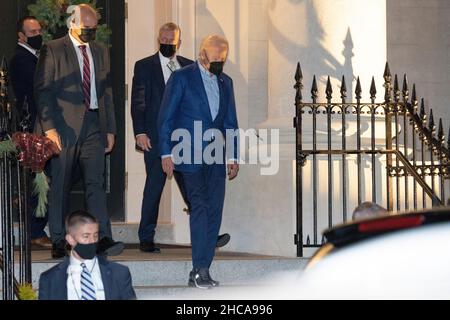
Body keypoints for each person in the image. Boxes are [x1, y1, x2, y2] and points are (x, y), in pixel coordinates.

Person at [131, 23, 230, 253]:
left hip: (187, 141)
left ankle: (206, 235)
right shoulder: (144, 66)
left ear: (179, 42)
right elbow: (138, 101)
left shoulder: (189, 66)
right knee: (154, 187)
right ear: (158, 38)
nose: (167, 43)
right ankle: (146, 237)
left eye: (172, 40)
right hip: (157, 138)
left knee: (193, 189)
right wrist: (140, 132)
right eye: (163, 38)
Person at [34, 4, 123, 258]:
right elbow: (43, 91)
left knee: (95, 182)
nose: (91, 33)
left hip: (94, 125)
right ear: (72, 24)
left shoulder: (100, 50)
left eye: (94, 29)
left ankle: (103, 237)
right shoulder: (52, 49)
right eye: (87, 28)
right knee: (60, 183)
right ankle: (59, 240)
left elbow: (106, 90)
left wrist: (111, 129)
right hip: (63, 127)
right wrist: (49, 129)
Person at [158, 35, 239, 289]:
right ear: (203, 54)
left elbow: (230, 122)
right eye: (215, 59)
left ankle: (204, 268)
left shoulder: (226, 82)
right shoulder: (182, 77)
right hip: (187, 153)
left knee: (215, 209)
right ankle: (198, 269)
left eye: (223, 60)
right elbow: (166, 117)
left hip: (215, 156)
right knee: (201, 206)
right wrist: (165, 152)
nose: (219, 64)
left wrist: (233, 155)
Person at [9, 16, 52, 249]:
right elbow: (40, 85)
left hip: (42, 125)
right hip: (31, 126)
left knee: (44, 177)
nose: (37, 35)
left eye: (38, 30)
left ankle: (40, 226)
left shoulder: (37, 56)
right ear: (21, 36)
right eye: (32, 32)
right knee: (38, 178)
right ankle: (35, 230)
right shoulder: (20, 59)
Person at [38, 210, 136, 300]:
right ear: (70, 239)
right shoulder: (50, 279)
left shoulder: (119, 273)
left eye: (95, 235)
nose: (92, 241)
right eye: (86, 236)